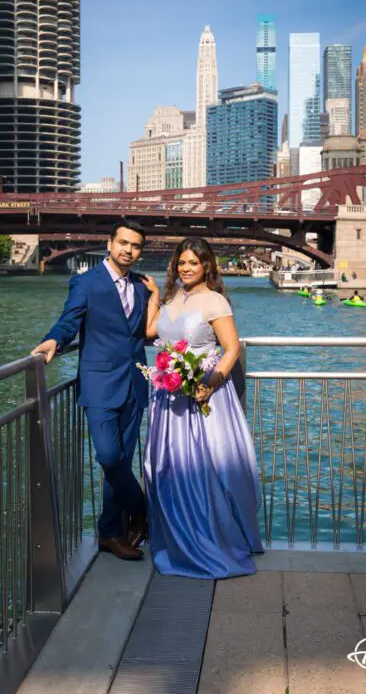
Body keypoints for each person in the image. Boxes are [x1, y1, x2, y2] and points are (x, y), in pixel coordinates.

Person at [31, 220, 161, 562]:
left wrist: (158, 298)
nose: (128, 250)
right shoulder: (86, 283)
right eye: (123, 243)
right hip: (99, 384)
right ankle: (144, 510)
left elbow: (144, 333)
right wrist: (54, 341)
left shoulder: (141, 286)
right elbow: (69, 320)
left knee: (118, 463)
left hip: (133, 384)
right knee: (108, 457)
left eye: (135, 246)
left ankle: (111, 534)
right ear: (109, 243)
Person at [144, 237, 263, 579]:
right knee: (169, 466)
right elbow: (152, 331)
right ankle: (175, 536)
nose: (186, 268)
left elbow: (230, 348)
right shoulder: (173, 297)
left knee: (203, 465)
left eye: (193, 263)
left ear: (206, 265)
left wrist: (209, 383)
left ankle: (207, 538)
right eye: (181, 263)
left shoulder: (214, 301)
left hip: (202, 394)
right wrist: (154, 297)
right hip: (168, 396)